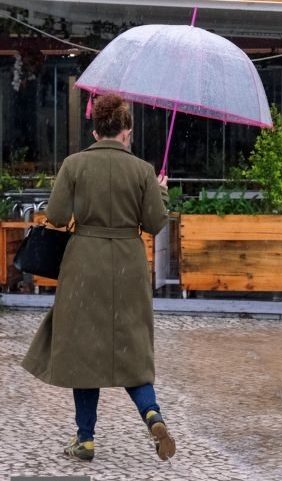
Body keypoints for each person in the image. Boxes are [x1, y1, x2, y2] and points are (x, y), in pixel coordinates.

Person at [21, 93, 175, 462]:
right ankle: (152, 414)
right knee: (131, 346)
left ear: (95, 130)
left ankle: (85, 438)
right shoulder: (141, 170)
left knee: (84, 350)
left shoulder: (74, 164)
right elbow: (154, 223)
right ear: (126, 132)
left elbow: (56, 216)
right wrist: (159, 192)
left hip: (83, 263)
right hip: (128, 264)